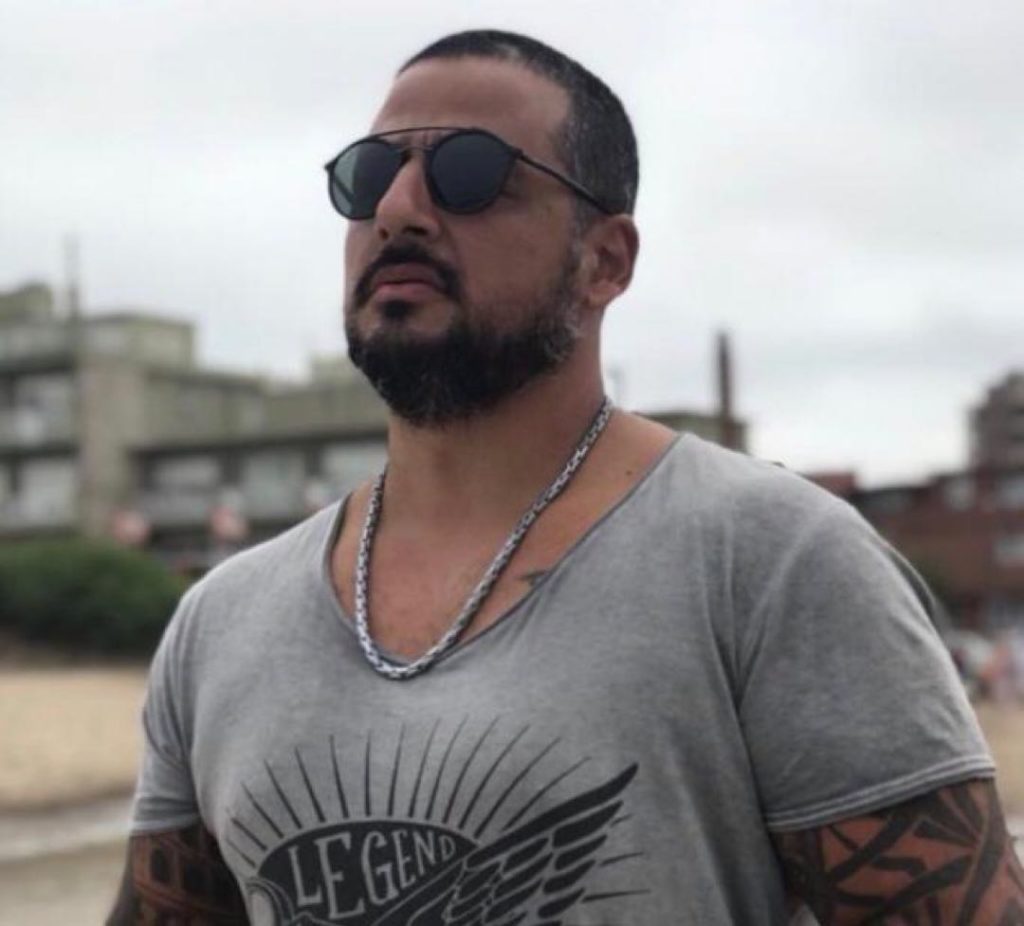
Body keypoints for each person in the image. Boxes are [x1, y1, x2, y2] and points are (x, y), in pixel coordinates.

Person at [109, 29, 1024, 925]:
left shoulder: (770, 561)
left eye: (470, 172)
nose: (399, 208)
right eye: (371, 174)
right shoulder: (220, 624)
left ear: (605, 261)